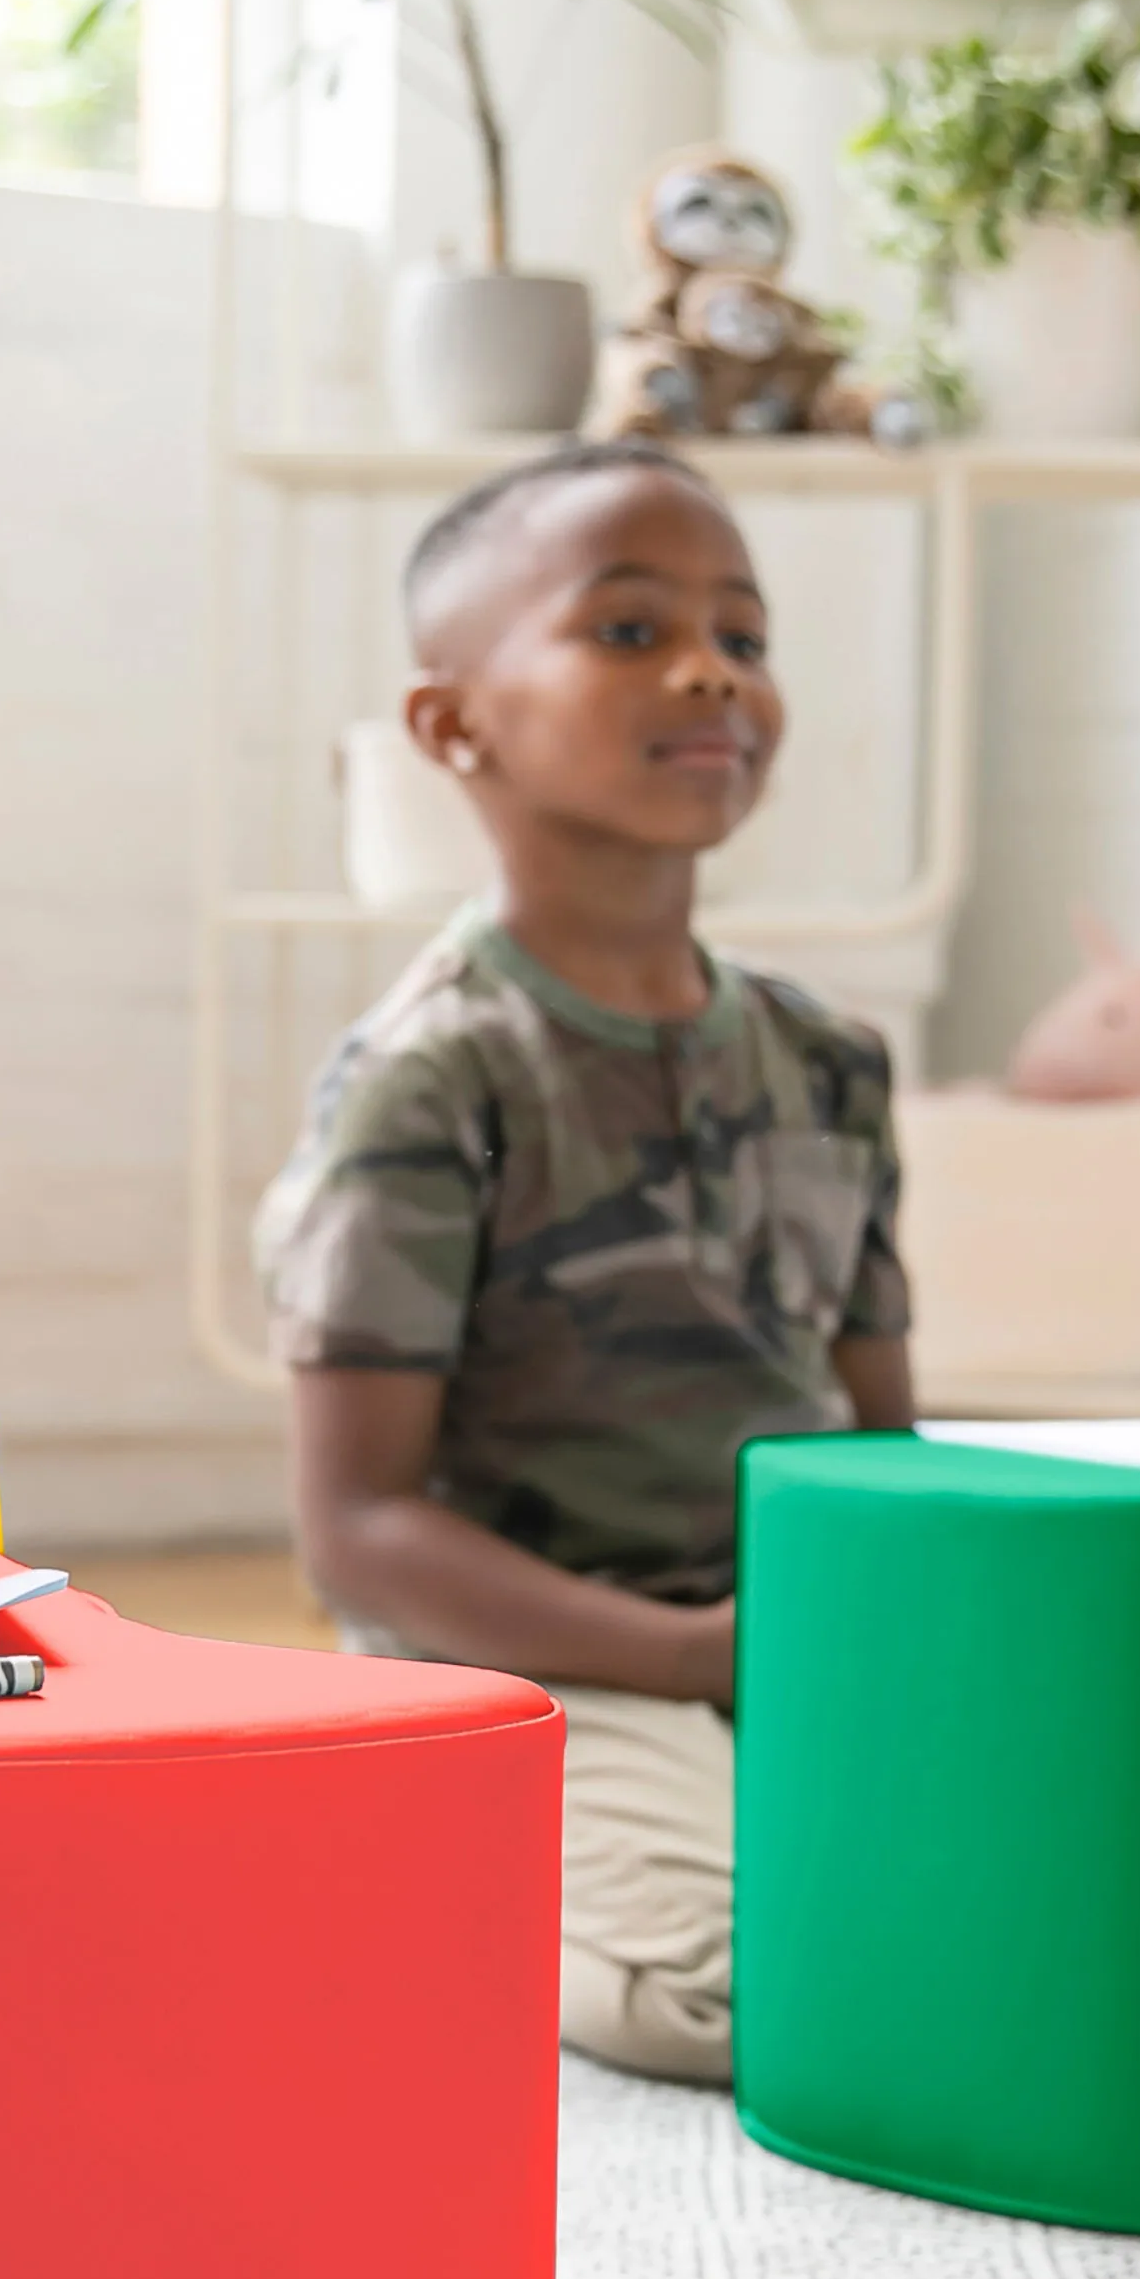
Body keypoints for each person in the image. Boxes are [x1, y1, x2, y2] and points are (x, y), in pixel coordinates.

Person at [257, 439, 913, 2084]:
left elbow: (891, 1450)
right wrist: (694, 1657)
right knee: (734, 1984)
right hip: (524, 1664)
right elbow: (357, 1532)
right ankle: (414, 1845)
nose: (711, 671)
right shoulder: (437, 1076)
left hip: (782, 1648)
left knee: (1072, 1887)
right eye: (630, 631)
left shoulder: (834, 1063)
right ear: (451, 722)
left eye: (743, 637)